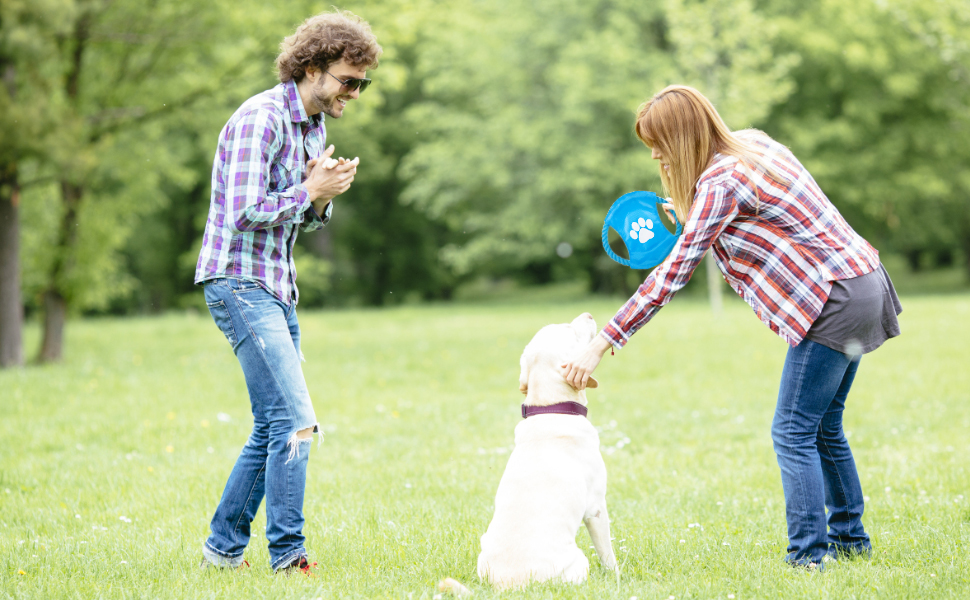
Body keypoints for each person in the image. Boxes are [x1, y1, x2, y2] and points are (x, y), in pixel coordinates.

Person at [562, 85, 901, 568]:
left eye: (659, 142)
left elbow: (673, 273)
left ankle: (809, 558)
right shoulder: (752, 144)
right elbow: (747, 211)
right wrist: (690, 210)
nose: (654, 153)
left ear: (683, 134)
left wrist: (602, 341)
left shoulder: (721, 181)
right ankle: (851, 540)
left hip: (835, 297)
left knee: (792, 429)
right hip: (862, 281)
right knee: (823, 424)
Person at [194, 10, 381, 574]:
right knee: (297, 422)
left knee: (272, 424)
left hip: (276, 285)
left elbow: (303, 219)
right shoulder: (261, 119)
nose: (354, 92)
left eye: (361, 84)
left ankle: (222, 553)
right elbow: (245, 211)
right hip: (238, 282)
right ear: (312, 66)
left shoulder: (313, 126)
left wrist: (323, 198)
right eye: (348, 80)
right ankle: (288, 558)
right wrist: (309, 189)